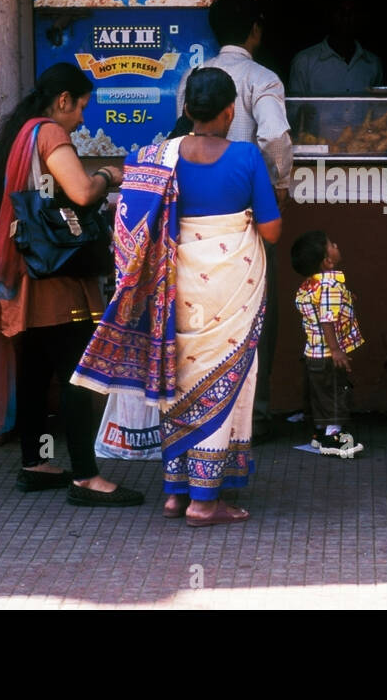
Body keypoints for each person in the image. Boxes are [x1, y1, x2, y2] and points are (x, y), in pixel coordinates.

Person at [75, 68, 281, 526]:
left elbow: (132, 226)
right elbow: (272, 230)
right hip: (232, 288)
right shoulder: (246, 157)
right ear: (230, 113)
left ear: (187, 110)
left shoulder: (155, 156)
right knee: (226, 382)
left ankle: (176, 490)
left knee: (179, 374)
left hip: (174, 287)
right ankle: (205, 501)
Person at [0, 62, 144, 507]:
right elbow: (80, 193)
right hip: (56, 277)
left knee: (36, 369)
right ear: (63, 101)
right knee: (77, 371)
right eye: (80, 107)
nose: (82, 119)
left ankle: (35, 464)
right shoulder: (49, 133)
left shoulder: (19, 134)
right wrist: (110, 177)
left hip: (26, 276)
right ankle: (86, 477)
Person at [179, 0, 292, 442]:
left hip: (191, 226)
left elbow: (181, 142)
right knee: (257, 314)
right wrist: (278, 183)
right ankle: (253, 413)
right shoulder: (262, 78)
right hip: (244, 222)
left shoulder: (191, 76)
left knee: (194, 320)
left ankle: (195, 412)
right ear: (255, 31)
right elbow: (276, 135)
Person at [291, 230, 364, 447]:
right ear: (327, 261)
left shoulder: (310, 284)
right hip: (328, 354)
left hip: (313, 352)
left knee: (320, 394)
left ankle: (320, 432)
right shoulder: (329, 286)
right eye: (332, 244)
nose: (337, 244)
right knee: (335, 393)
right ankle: (335, 437)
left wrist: (347, 298)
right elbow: (327, 319)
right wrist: (336, 350)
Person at [289, 0, 383, 95]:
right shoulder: (304, 61)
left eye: (351, 13)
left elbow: (380, 107)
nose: (346, 18)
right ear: (329, 15)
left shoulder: (373, 63)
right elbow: (295, 108)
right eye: (341, 12)